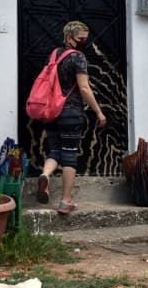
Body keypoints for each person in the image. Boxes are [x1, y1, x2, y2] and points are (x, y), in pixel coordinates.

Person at [35, 21, 107, 214]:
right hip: (70, 112)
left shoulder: (53, 55)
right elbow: (83, 88)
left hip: (50, 112)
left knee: (55, 150)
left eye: (86, 38)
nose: (85, 42)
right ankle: (66, 200)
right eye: (81, 38)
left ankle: (45, 175)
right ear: (69, 37)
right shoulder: (78, 57)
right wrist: (99, 112)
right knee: (69, 156)